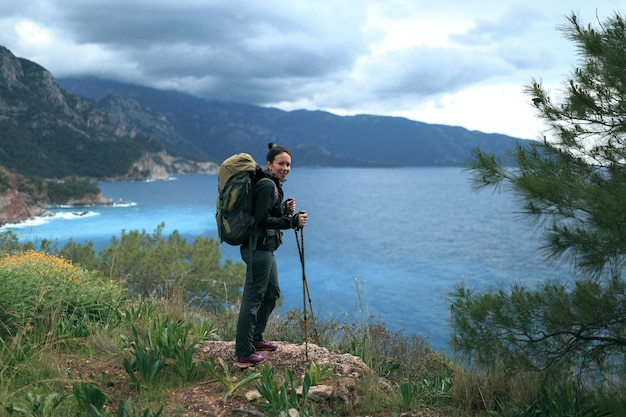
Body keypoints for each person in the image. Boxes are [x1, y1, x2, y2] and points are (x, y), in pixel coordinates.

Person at [234, 142, 308, 368]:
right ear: (269, 164)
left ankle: (255, 338)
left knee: (271, 293)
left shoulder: (272, 185)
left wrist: (284, 209)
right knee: (253, 298)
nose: (285, 168)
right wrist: (292, 221)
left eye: (288, 164)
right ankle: (244, 352)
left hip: (265, 249)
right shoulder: (267, 185)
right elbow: (261, 220)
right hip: (258, 249)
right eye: (281, 164)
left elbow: (266, 212)